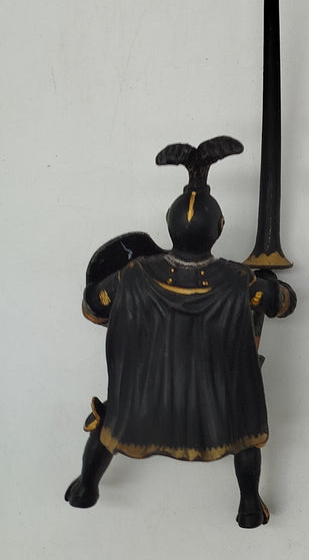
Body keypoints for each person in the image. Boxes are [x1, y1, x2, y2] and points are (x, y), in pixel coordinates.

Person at [64, 137, 296, 528]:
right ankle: (248, 504)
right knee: (246, 428)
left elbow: (92, 307)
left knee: (109, 423)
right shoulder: (238, 280)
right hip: (216, 405)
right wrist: (274, 287)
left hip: (142, 403)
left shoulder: (132, 274)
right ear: (219, 228)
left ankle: (86, 487)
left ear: (170, 226)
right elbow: (283, 304)